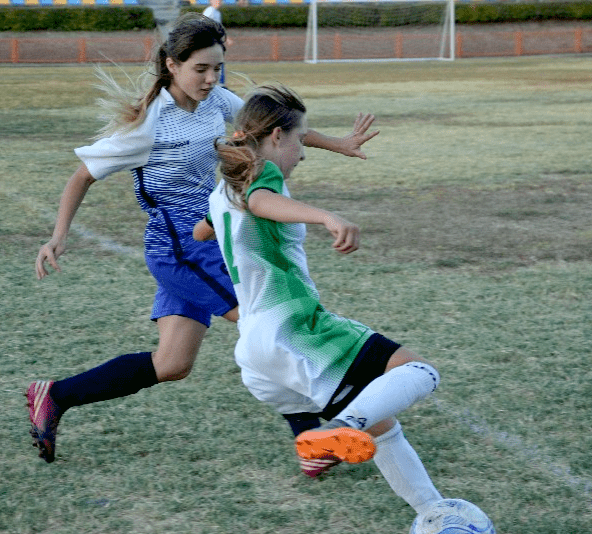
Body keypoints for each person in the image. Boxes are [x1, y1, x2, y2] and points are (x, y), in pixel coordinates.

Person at [27, 14, 379, 465]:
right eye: (201, 69)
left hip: (208, 239)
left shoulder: (216, 103)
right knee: (268, 324)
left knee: (172, 364)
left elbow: (269, 125)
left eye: (217, 68)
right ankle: (314, 441)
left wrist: (339, 143)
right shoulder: (149, 126)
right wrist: (57, 238)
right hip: (179, 249)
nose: (211, 79)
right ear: (172, 65)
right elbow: (82, 177)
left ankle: (54, 395)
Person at [193, 84, 444, 513]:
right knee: (420, 371)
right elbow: (261, 201)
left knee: (379, 426)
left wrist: (228, 226)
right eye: (298, 140)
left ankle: (434, 511)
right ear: (274, 137)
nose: (303, 152)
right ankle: (339, 430)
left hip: (255, 353)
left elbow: (203, 231)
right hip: (292, 327)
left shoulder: (223, 190)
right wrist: (326, 215)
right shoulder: (260, 177)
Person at [201, 0, 230, 86]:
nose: (220, 2)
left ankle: (221, 84)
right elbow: (203, 25)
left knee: (219, 61)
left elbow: (219, 28)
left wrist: (225, 38)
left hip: (216, 42)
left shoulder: (217, 13)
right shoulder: (209, 11)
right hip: (209, 42)